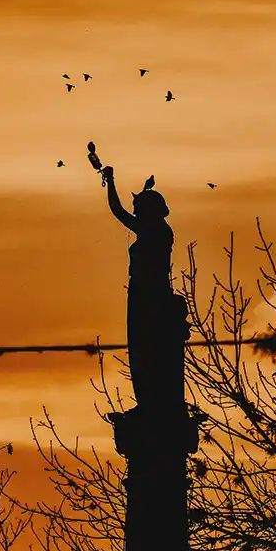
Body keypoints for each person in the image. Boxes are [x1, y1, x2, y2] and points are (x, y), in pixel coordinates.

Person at [102, 166, 178, 409]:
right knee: (141, 348)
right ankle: (147, 400)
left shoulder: (154, 230)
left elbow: (117, 210)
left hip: (149, 295)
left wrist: (110, 180)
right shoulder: (156, 229)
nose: (135, 213)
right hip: (143, 293)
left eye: (139, 208)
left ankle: (151, 402)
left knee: (146, 348)